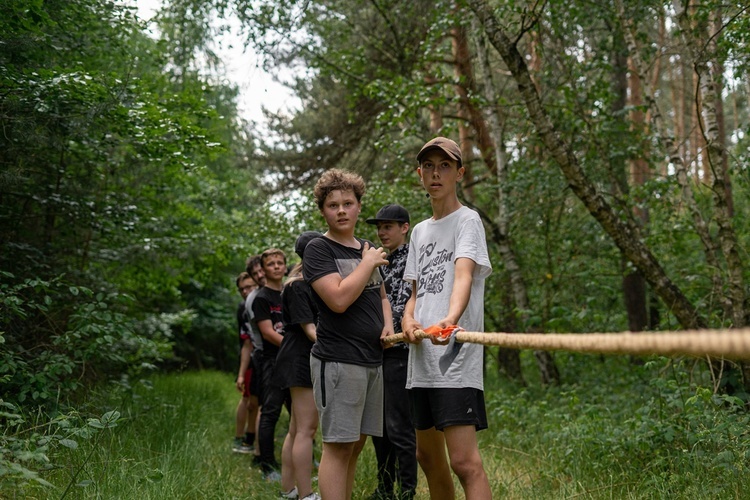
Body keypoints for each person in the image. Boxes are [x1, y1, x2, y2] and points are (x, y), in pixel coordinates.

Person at [401, 137, 493, 500]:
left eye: (445, 166)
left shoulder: (467, 220)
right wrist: (408, 322)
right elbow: (414, 293)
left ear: (460, 173)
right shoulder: (420, 231)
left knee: (464, 462)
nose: (435, 173)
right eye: (429, 166)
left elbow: (464, 276)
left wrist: (450, 320)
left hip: (454, 356)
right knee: (426, 455)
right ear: (419, 174)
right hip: (421, 358)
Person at [303, 168, 393, 500]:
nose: (341, 210)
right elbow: (338, 299)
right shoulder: (318, 250)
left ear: (358, 206)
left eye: (348, 203)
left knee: (355, 446)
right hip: (339, 361)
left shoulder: (366, 247)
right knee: (338, 448)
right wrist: (367, 264)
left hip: (372, 360)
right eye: (333, 205)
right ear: (323, 210)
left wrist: (388, 324)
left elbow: (380, 296)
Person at [365, 205, 417, 500]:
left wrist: (381, 327)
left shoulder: (412, 257)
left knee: (399, 427)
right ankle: (384, 488)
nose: (382, 232)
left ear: (404, 227)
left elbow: (408, 301)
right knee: (379, 427)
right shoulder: (377, 261)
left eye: (388, 226)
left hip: (400, 350)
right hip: (377, 352)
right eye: (379, 228)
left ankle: (407, 491)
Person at [277, 231, 325, 500]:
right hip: (300, 358)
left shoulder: (304, 283)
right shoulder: (298, 286)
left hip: (297, 357)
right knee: (306, 429)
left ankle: (289, 490)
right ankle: (306, 495)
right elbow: (310, 331)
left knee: (297, 428)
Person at [252, 248, 291, 481]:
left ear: (285, 267)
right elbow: (268, 333)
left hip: (292, 363)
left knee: (299, 414)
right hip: (272, 362)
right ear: (264, 270)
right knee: (270, 412)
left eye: (279, 262)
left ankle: (300, 458)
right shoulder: (261, 298)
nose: (276, 266)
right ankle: (267, 465)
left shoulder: (289, 293)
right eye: (271, 263)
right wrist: (293, 347)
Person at [243, 254, 267, 463]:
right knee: (265, 407)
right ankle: (260, 455)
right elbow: (265, 333)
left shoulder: (280, 289)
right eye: (255, 274)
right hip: (264, 356)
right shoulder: (255, 299)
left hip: (280, 353)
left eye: (261, 270)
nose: (260, 275)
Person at [233, 271, 259, 454]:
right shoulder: (243, 308)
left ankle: (252, 438)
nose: (245, 291)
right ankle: (242, 438)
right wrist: (241, 373)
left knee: (256, 402)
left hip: (265, 357)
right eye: (242, 289)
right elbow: (246, 342)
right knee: (248, 400)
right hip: (250, 358)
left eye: (249, 287)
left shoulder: (263, 300)